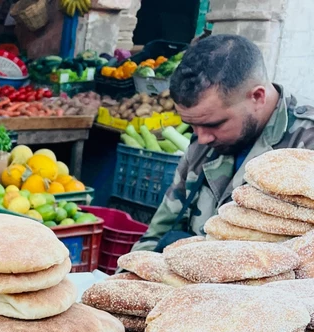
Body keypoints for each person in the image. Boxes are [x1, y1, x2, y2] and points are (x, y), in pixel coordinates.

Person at [134, 34, 314, 252]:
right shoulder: (205, 137)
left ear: (257, 97)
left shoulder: (306, 144)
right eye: (192, 125)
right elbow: (160, 230)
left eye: (214, 124)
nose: (202, 138)